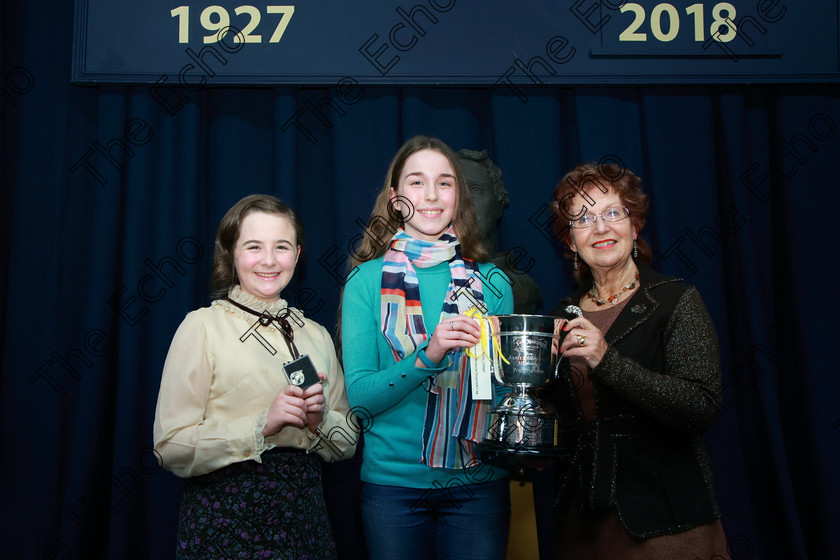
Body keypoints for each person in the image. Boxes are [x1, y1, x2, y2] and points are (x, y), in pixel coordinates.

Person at [153, 194, 355, 560]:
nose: (268, 260)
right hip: (225, 525)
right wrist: (261, 426)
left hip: (305, 527)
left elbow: (348, 443)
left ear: (296, 254)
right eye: (253, 246)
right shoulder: (201, 327)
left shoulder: (316, 334)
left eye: (281, 246)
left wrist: (319, 421)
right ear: (230, 252)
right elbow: (170, 447)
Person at [341, 136, 514, 560]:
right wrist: (429, 355)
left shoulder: (494, 282)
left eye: (445, 183)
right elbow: (360, 399)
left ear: (459, 195)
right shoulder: (365, 280)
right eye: (417, 183)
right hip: (392, 490)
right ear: (396, 199)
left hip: (479, 483)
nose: (432, 196)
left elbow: (506, 393)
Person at [544, 162, 728, 559]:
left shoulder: (676, 300)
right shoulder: (563, 313)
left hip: (666, 520)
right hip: (584, 522)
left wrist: (606, 360)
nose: (601, 227)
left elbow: (699, 408)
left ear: (636, 226)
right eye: (583, 219)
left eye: (613, 213)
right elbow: (566, 420)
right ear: (571, 241)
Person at [457, 148, 543, 314]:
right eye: (456, 191)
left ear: (498, 204)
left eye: (474, 189)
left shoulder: (518, 287)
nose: (463, 201)